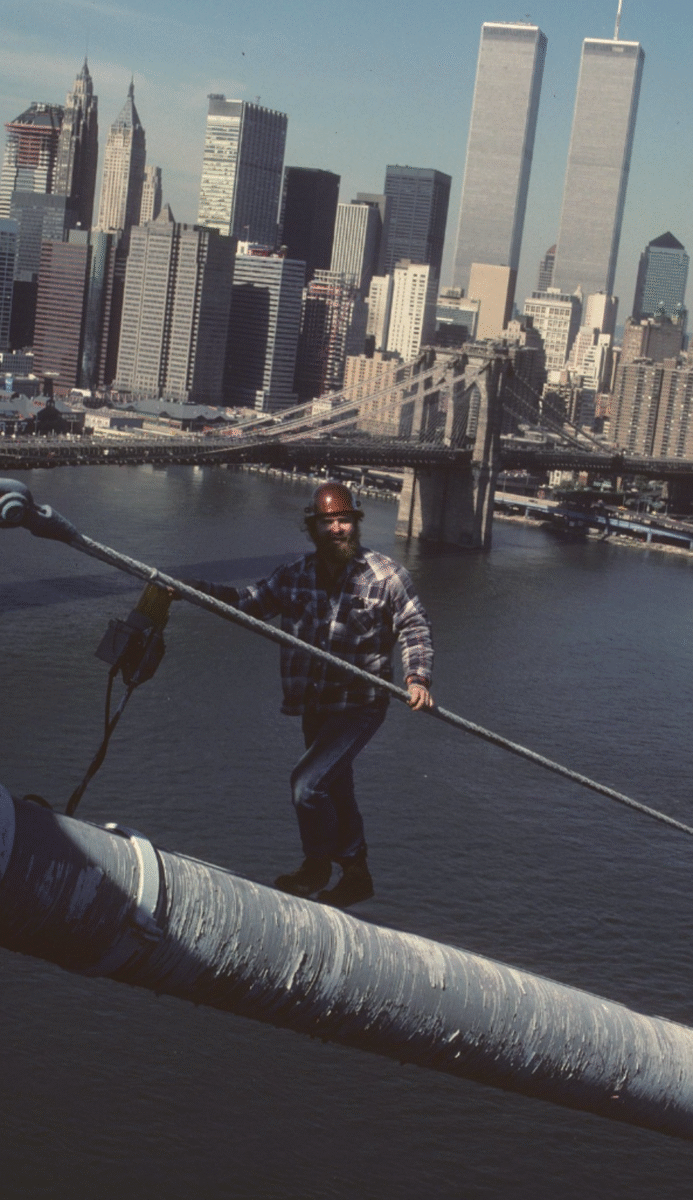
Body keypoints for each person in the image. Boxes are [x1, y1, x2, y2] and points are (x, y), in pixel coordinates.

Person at [190, 481, 433, 908]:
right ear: (313, 528)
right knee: (335, 787)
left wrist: (417, 679)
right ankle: (356, 874)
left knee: (307, 787)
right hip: (314, 703)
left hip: (360, 703)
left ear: (356, 523)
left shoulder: (387, 576)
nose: (337, 529)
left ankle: (317, 865)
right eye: (328, 522)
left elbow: (414, 628)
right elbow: (250, 603)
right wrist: (196, 591)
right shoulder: (295, 576)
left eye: (344, 520)